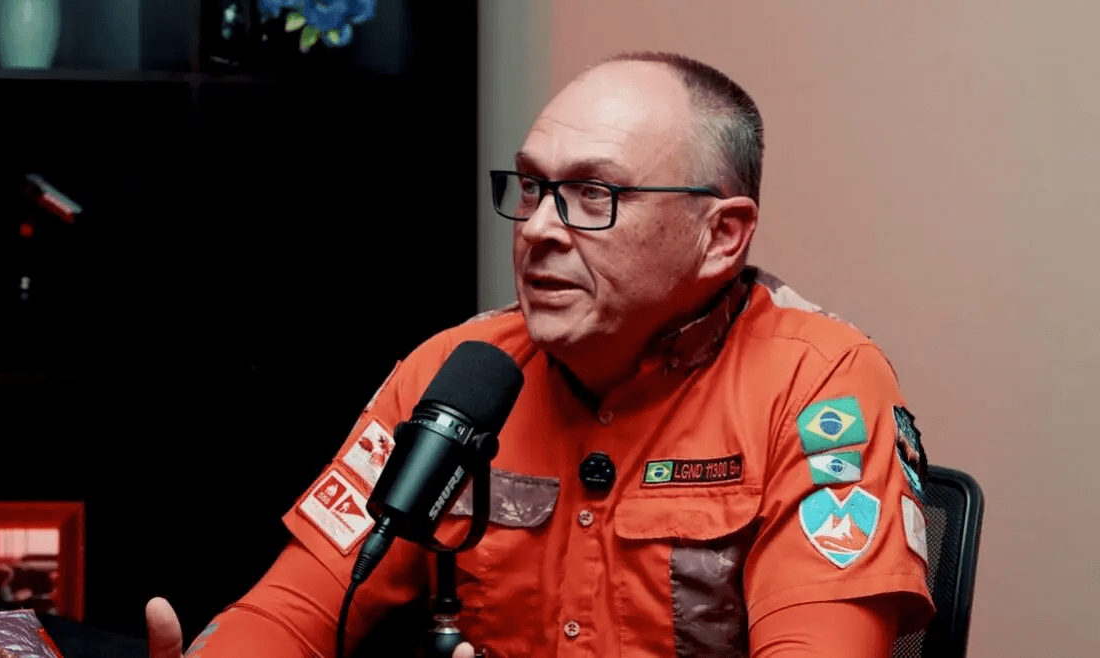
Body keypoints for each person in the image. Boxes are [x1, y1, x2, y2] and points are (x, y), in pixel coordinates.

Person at [145, 51, 934, 658]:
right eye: (531, 188)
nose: (539, 229)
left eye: (596, 195)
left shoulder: (815, 380)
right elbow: (301, 607)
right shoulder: (455, 371)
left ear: (720, 235)